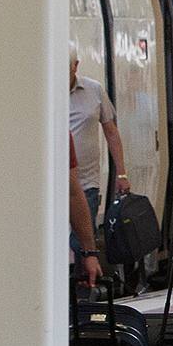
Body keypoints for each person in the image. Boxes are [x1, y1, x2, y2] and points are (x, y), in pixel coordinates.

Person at [68, 45, 131, 230]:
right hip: (53, 183)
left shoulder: (94, 90)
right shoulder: (43, 94)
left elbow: (111, 132)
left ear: (76, 66)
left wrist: (121, 173)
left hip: (87, 184)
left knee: (82, 244)